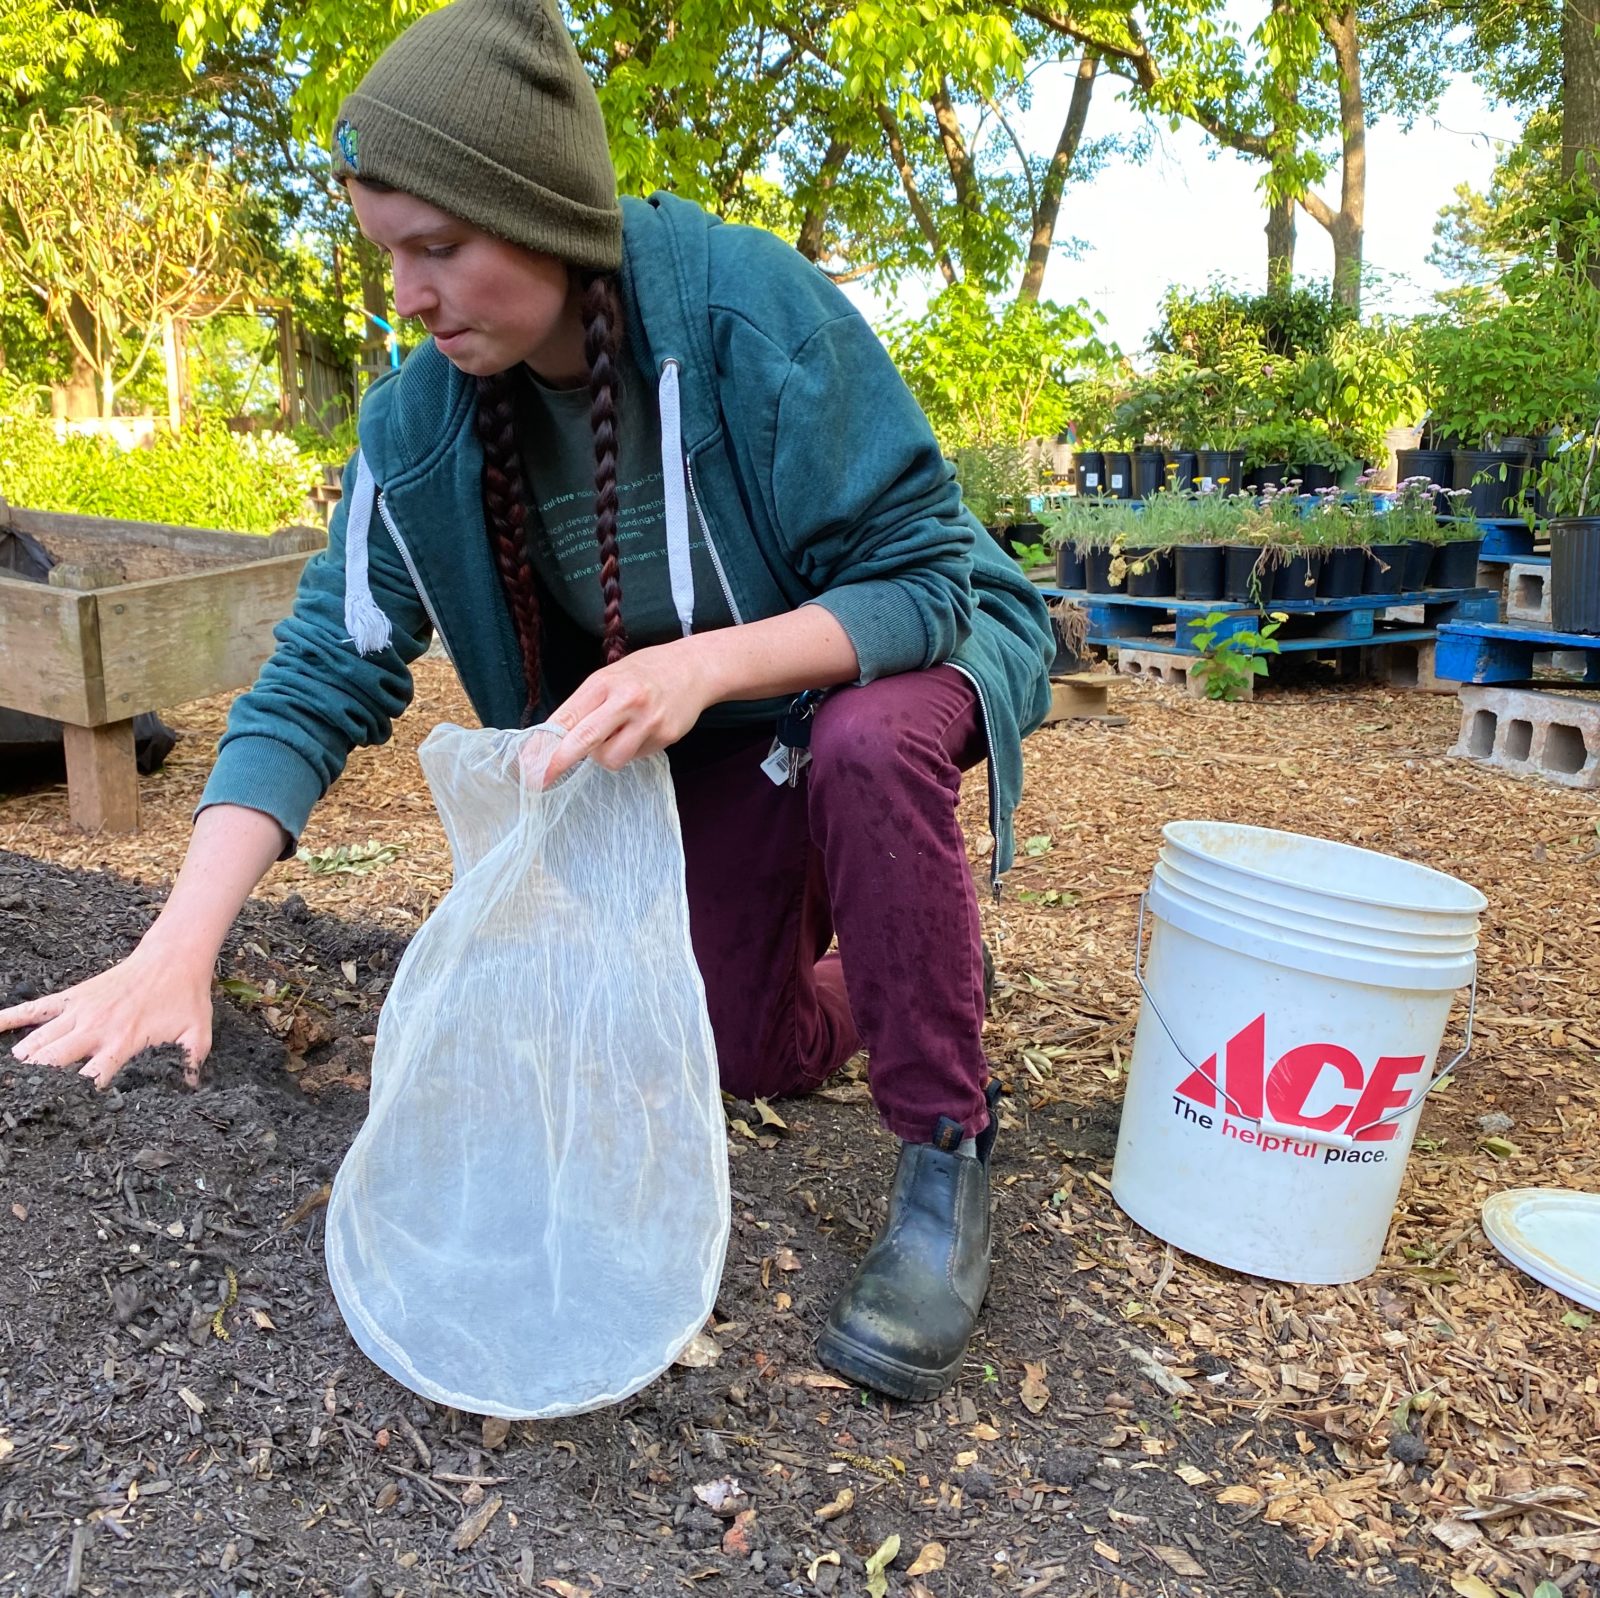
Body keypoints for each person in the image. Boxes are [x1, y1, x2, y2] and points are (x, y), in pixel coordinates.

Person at [0, 0, 1053, 1402]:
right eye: (389, 252)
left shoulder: (739, 309)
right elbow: (321, 673)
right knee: (745, 1049)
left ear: (545, 215)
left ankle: (945, 1152)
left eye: (439, 247)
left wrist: (702, 666)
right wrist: (176, 946)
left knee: (864, 744)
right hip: (719, 724)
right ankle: (908, 949)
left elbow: (923, 580)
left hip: (894, 653)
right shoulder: (421, 425)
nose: (407, 294)